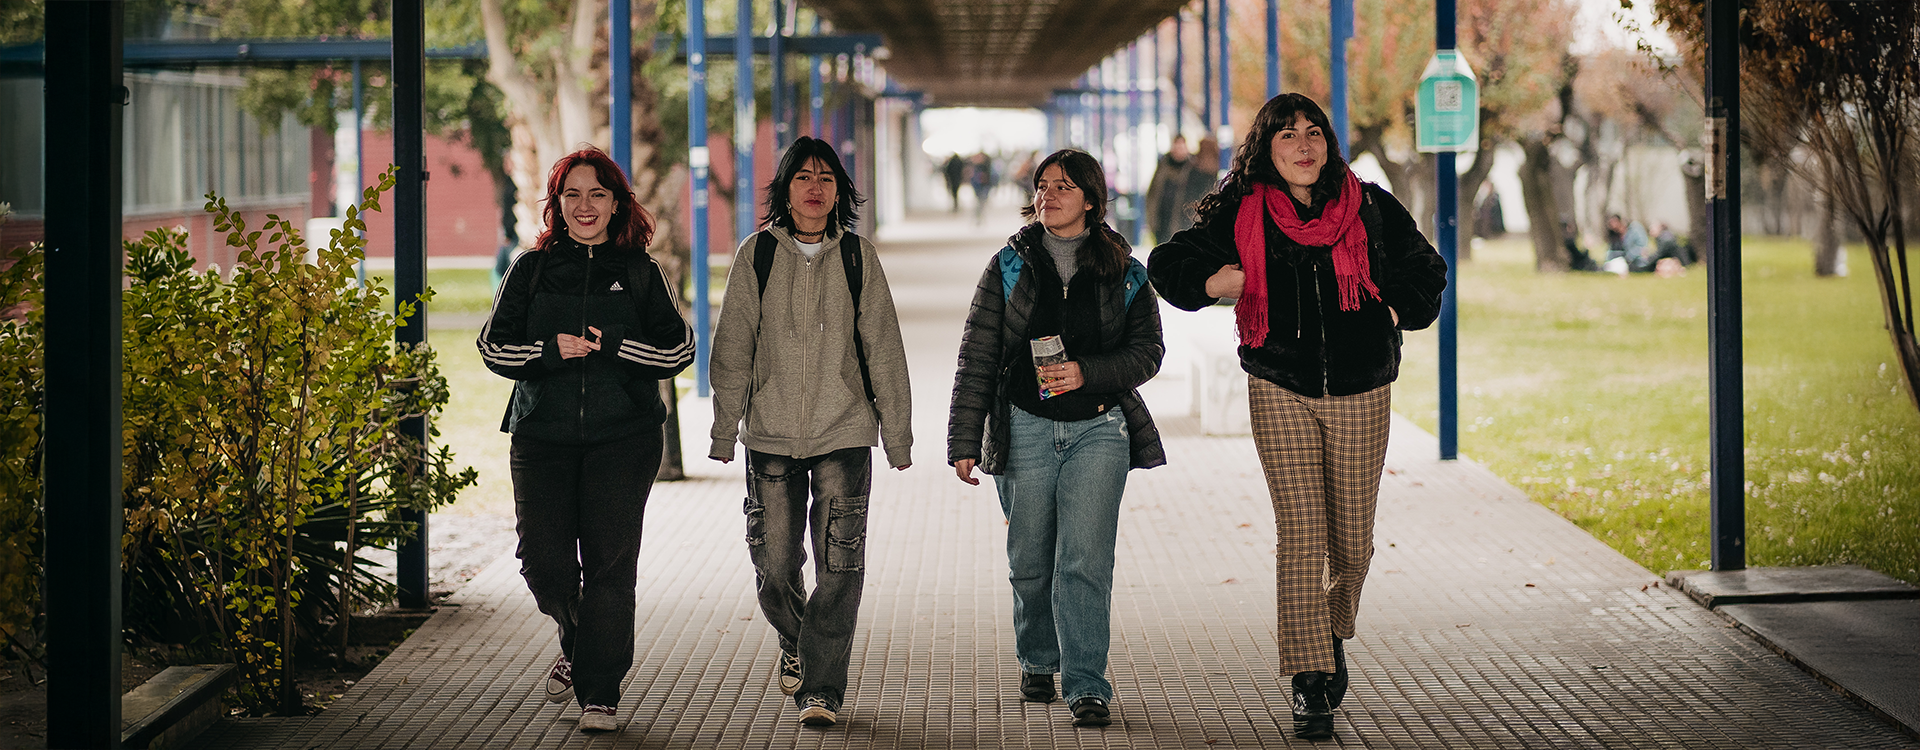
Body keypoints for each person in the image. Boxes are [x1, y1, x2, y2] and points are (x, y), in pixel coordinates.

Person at [1147, 93, 1447, 741]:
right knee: (1303, 530)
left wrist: (1392, 312)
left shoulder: (1369, 204)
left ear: (1328, 144)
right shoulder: (1242, 208)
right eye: (1287, 135)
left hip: (1363, 386)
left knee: (1353, 543)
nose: (1303, 145)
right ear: (1267, 147)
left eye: (1313, 133)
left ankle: (1330, 630)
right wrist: (1215, 284)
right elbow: (1167, 263)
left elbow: (1426, 267)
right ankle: (1309, 677)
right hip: (1278, 382)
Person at [478, 146, 694, 733]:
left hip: (623, 439)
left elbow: (679, 350)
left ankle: (600, 691)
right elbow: (493, 348)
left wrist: (618, 347)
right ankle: (580, 643)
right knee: (543, 564)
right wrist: (548, 352)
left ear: (617, 202)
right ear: (557, 204)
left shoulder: (642, 272)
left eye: (597, 193)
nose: (585, 205)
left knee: (609, 566)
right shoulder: (530, 269)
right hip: (541, 437)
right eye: (572, 194)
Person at [948, 149, 1166, 729]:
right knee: (1029, 560)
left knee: (1085, 560)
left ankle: (1087, 683)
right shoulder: (1009, 265)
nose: (1049, 195)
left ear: (1091, 199)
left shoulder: (1125, 270)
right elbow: (978, 353)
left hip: (1099, 427)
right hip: (1023, 424)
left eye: (1064, 186)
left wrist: (1087, 373)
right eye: (1042, 185)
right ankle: (1039, 659)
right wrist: (964, 438)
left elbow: (1148, 352)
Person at [709, 135, 913, 729]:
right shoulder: (756, 255)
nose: (815, 188)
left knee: (840, 568)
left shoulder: (857, 256)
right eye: (803, 177)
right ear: (786, 188)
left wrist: (897, 434)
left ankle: (821, 688)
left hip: (843, 433)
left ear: (840, 192)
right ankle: (799, 640)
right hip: (770, 437)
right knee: (775, 567)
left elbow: (884, 347)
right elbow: (733, 347)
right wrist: (724, 428)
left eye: (826, 178)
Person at [1144, 135, 1215, 242]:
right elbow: (1153, 194)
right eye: (1177, 146)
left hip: (1181, 225)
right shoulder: (1163, 166)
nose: (1179, 150)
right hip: (1161, 224)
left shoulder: (1193, 171)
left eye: (1182, 147)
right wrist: (1152, 221)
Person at [967, 151, 997, 224]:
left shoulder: (987, 167)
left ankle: (979, 217)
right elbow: (973, 178)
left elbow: (992, 177)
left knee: (981, 203)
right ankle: (978, 217)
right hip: (978, 187)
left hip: (984, 187)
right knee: (979, 203)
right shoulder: (976, 167)